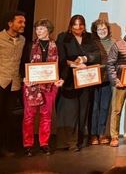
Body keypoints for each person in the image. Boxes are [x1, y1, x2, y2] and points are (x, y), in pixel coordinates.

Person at [56, 14, 101, 151]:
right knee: (69, 112)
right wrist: (74, 64)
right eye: (75, 24)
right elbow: (61, 57)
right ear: (71, 25)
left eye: (81, 24)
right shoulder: (63, 37)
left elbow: (97, 55)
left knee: (83, 112)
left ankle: (79, 141)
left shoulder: (89, 37)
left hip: (85, 80)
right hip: (68, 79)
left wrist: (85, 59)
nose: (78, 27)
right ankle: (68, 142)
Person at [22, 19, 63, 156]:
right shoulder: (30, 46)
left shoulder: (56, 46)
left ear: (48, 30)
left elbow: (61, 65)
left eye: (41, 29)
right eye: (37, 29)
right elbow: (23, 62)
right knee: (29, 116)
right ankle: (28, 145)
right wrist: (24, 77)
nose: (38, 31)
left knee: (46, 116)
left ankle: (44, 143)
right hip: (31, 85)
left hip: (50, 85)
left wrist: (60, 79)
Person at [1, 11, 26, 156]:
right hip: (1, 81)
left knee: (9, 117)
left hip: (14, 83)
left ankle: (6, 147)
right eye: (20, 22)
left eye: (24, 22)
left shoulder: (22, 40)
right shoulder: (0, 38)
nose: (23, 25)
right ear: (10, 23)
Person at [90, 19, 115, 145]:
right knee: (94, 108)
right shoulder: (91, 43)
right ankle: (93, 134)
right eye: (99, 29)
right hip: (93, 79)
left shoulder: (113, 43)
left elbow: (115, 61)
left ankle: (101, 133)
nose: (102, 31)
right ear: (95, 30)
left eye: (104, 28)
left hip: (108, 79)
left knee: (105, 107)